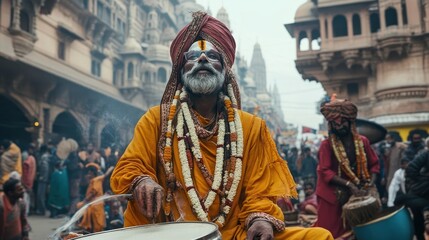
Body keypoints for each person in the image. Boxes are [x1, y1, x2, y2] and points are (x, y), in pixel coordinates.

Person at [110, 11, 333, 240]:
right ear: (181, 69)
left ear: (226, 69)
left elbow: (259, 191)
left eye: (212, 55)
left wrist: (259, 218)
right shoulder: (157, 120)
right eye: (194, 55)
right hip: (170, 232)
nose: (203, 60)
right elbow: (131, 165)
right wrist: (143, 180)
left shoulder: (251, 127)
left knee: (319, 236)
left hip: (232, 233)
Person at [316, 96, 380, 239]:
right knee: (330, 232)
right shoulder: (326, 145)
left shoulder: (363, 141)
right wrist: (349, 185)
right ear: (331, 125)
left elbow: (374, 165)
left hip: (358, 192)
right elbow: (325, 171)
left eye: (342, 122)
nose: (339, 126)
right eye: (335, 124)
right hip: (332, 195)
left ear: (350, 122)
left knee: (364, 228)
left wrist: (370, 184)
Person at [403, 138, 429, 240]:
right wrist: (424, 179)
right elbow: (410, 169)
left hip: (420, 193)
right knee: (419, 220)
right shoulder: (425, 155)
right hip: (419, 194)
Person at [77, 163, 113, 233]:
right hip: (95, 205)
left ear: (92, 173)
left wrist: (84, 201)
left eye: (89, 173)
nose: (88, 175)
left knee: (97, 226)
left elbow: (93, 192)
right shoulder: (96, 179)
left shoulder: (96, 180)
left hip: (95, 206)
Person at [35, 144, 50, 216]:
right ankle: (41, 209)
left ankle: (42, 210)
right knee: (41, 195)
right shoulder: (47, 156)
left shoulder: (44, 157)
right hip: (44, 178)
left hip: (43, 179)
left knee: (40, 195)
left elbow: (45, 168)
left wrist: (42, 177)